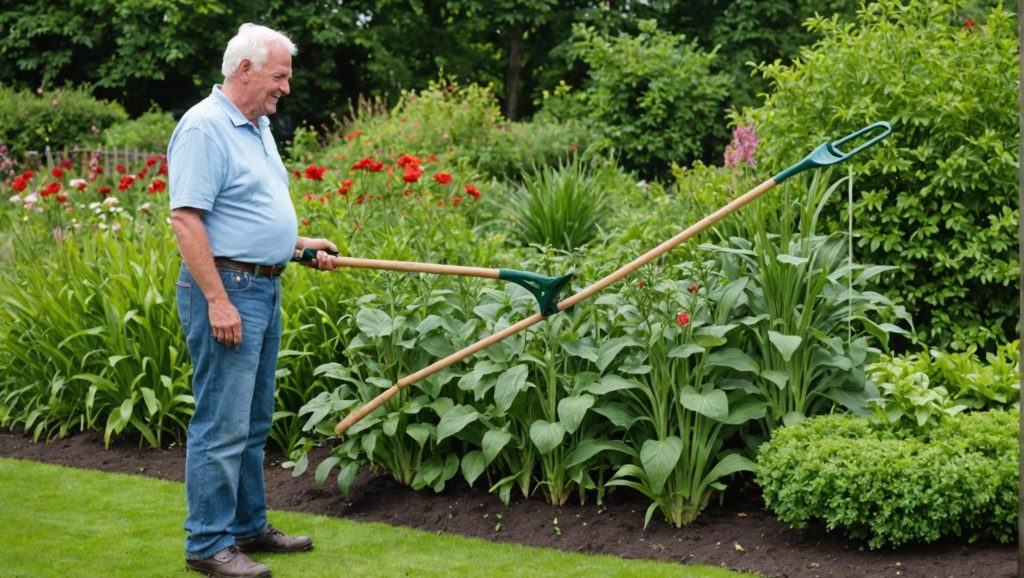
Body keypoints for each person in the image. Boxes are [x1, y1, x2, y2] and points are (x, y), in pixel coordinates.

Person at [168, 23, 336, 578]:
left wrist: (298, 245)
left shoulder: (256, 127)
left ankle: (246, 527)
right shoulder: (205, 127)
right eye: (280, 75)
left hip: (264, 283)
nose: (286, 87)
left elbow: (244, 212)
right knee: (221, 424)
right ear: (245, 70)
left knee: (255, 421)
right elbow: (186, 219)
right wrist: (217, 301)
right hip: (229, 289)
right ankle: (207, 544)